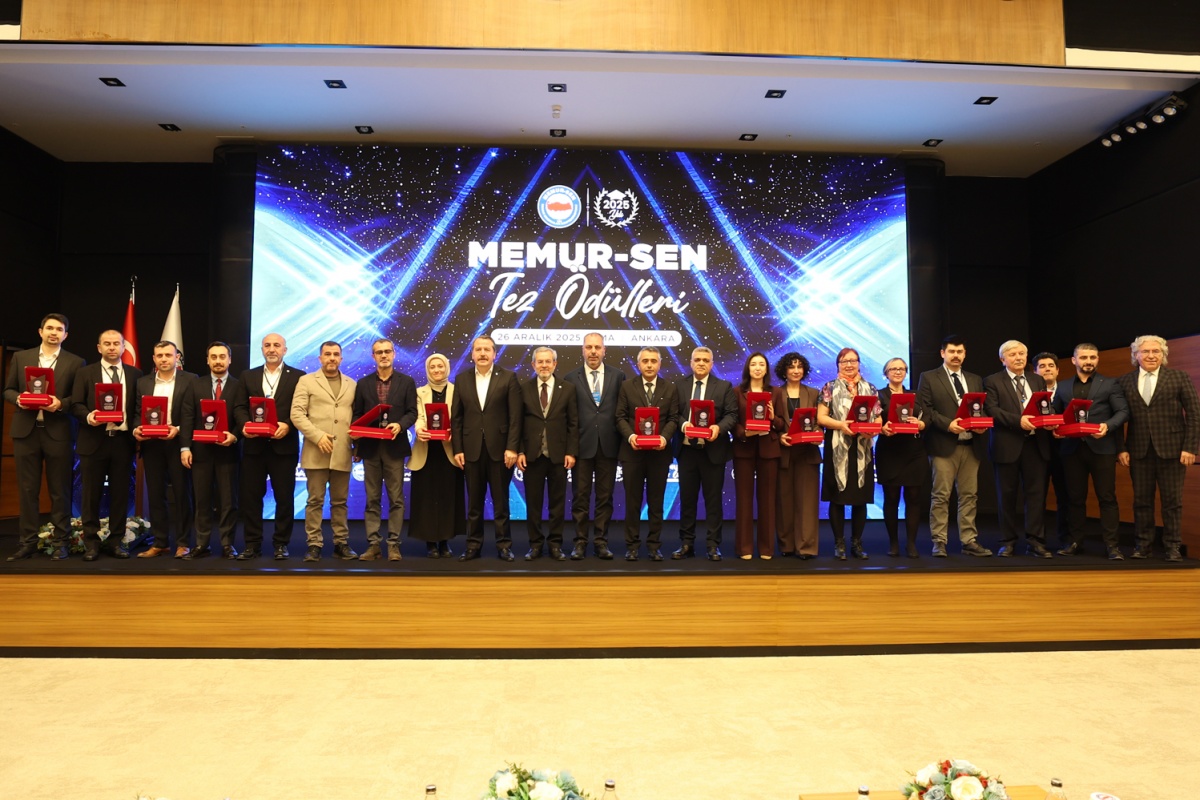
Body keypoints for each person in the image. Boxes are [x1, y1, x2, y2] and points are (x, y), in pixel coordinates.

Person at [3, 313, 85, 561]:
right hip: (25, 431)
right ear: (40, 331)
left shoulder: (76, 362)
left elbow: (78, 399)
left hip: (58, 431)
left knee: (60, 490)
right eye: (49, 328)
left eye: (59, 329)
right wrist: (19, 398)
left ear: (65, 335)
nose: (53, 333)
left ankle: (61, 542)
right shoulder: (21, 358)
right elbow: (8, 390)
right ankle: (27, 542)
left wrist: (61, 403)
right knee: (27, 490)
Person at [1117, 335, 1200, 562]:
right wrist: (1121, 448)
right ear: (1136, 355)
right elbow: (1118, 418)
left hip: (1173, 451)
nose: (1151, 355)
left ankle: (1172, 547)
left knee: (1172, 503)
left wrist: (1190, 447)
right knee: (1141, 501)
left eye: (1156, 351)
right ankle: (1142, 546)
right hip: (1138, 451)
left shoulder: (1179, 377)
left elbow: (1194, 415)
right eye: (1146, 351)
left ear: (1163, 355)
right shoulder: (1124, 382)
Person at [915, 335, 993, 558]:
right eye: (951, 351)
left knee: (969, 496)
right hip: (943, 444)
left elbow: (981, 409)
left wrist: (981, 425)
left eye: (960, 352)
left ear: (965, 354)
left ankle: (969, 540)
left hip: (971, 444)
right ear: (943, 353)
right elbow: (926, 410)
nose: (956, 355)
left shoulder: (975, 379)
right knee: (941, 496)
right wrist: (948, 424)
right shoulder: (929, 377)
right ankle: (939, 541)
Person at [232, 332, 305, 560]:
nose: (271, 349)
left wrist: (289, 425)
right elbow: (239, 407)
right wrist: (244, 425)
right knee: (251, 498)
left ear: (285, 349)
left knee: (284, 498)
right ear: (262, 349)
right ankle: (252, 545)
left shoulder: (299, 377)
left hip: (284, 447)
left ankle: (281, 544)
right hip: (254, 447)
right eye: (267, 345)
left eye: (276, 345)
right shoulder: (248, 375)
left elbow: (303, 409)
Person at [1053, 342, 1129, 559]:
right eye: (1084, 357)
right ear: (1074, 360)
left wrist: (1107, 426)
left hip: (1102, 448)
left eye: (1092, 357)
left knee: (1107, 498)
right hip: (1071, 449)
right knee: (1075, 499)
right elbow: (1057, 415)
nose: (1088, 361)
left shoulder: (1110, 384)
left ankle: (1112, 546)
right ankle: (1075, 542)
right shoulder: (1063, 386)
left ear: (1097, 360)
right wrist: (1056, 429)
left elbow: (1123, 411)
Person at [70, 329, 140, 561]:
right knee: (91, 495)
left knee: (120, 495)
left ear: (123, 347)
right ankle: (91, 544)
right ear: (99, 347)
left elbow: (137, 408)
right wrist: (90, 416)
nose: (112, 347)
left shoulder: (135, 374)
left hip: (122, 442)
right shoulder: (85, 373)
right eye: (107, 343)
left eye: (116, 343)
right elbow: (76, 404)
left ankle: (116, 542)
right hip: (93, 441)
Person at [451, 334, 522, 562]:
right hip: (471, 451)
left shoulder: (509, 377)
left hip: (501, 452)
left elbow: (515, 417)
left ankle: (504, 546)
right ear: (472, 354)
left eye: (487, 349)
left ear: (494, 354)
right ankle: (473, 546)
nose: (482, 353)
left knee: (501, 503)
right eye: (478, 349)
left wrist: (512, 448)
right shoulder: (461, 379)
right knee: (474, 504)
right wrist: (458, 449)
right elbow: (457, 418)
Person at [984, 340, 1053, 558]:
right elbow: (992, 410)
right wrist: (1018, 421)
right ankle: (1008, 541)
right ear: (1002, 359)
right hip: (1007, 445)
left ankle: (1036, 541)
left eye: (1022, 353)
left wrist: (1049, 420)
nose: (1018, 358)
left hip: (1036, 444)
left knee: (1036, 495)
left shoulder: (1037, 379)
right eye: (1013, 354)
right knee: (1007, 496)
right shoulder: (992, 381)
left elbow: (1045, 407)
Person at [350, 338, 417, 561]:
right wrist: (356, 442)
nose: (384, 355)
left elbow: (412, 412)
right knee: (372, 499)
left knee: (396, 499)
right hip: (370, 448)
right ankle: (373, 545)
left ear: (394, 354)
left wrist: (400, 425)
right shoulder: (363, 383)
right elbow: (357, 414)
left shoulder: (407, 382)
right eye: (379, 352)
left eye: (387, 351)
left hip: (394, 448)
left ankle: (394, 545)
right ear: (373, 356)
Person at [291, 340, 358, 562]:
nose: (332, 358)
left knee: (340, 502)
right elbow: (297, 414)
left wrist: (357, 446)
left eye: (335, 354)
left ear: (341, 358)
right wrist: (317, 436)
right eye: (327, 354)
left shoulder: (351, 384)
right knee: (315, 501)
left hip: (342, 451)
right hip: (316, 450)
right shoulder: (306, 381)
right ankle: (314, 544)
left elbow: (356, 419)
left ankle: (341, 543)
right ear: (320, 358)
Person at [561, 332, 625, 560]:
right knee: (580, 497)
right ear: (582, 350)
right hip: (581, 447)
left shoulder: (618, 376)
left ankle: (601, 542)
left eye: (597, 347)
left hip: (609, 446)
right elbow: (568, 417)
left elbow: (622, 412)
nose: (593, 351)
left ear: (604, 350)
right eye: (589, 347)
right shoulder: (570, 378)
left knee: (605, 498)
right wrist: (569, 449)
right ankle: (579, 542)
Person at [132, 340, 197, 558]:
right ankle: (160, 542)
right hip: (152, 444)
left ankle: (183, 543)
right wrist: (136, 429)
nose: (164, 359)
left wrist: (178, 429)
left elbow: (194, 413)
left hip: (179, 443)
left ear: (177, 357)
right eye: (159, 355)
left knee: (182, 494)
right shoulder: (142, 382)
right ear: (154, 359)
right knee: (156, 495)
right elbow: (137, 412)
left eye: (168, 355)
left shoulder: (191, 380)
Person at [615, 346, 680, 561]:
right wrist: (631, 437)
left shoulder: (670, 388)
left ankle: (654, 546)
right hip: (632, 453)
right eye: (645, 361)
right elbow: (620, 417)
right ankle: (632, 546)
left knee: (656, 502)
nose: (649, 365)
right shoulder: (626, 386)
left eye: (653, 361)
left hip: (659, 454)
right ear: (638, 364)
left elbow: (673, 418)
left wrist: (664, 438)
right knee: (632, 502)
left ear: (659, 364)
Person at [672, 346, 737, 561]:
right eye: (697, 359)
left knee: (713, 501)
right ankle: (686, 544)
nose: (701, 363)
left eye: (705, 360)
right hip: (687, 451)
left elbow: (731, 415)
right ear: (691, 362)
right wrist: (684, 425)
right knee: (687, 499)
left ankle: (713, 545)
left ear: (711, 364)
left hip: (713, 451)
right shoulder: (679, 386)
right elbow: (673, 413)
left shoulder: (724, 386)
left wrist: (719, 428)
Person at [817, 347, 880, 560]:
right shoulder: (829, 387)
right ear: (838, 365)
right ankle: (839, 544)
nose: (849, 365)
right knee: (837, 498)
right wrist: (840, 425)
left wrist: (871, 429)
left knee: (860, 498)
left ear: (859, 363)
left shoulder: (870, 388)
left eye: (853, 361)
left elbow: (878, 418)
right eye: (844, 361)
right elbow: (821, 417)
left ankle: (857, 543)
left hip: (862, 448)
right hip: (837, 447)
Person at [180, 341, 242, 559]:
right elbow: (187, 417)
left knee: (228, 501)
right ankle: (202, 544)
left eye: (222, 357)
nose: (218, 361)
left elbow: (242, 416)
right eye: (213, 357)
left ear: (229, 360)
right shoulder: (196, 385)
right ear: (207, 360)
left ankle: (227, 544)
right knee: (202, 500)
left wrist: (234, 435)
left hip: (228, 452)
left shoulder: (239, 386)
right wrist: (185, 447)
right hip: (201, 452)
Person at [517, 346, 579, 561]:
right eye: (540, 362)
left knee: (557, 504)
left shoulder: (568, 389)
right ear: (533, 365)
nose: (544, 365)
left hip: (559, 456)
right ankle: (535, 545)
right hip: (532, 456)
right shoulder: (523, 389)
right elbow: (517, 423)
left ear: (555, 364)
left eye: (548, 361)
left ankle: (555, 545)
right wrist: (520, 451)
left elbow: (573, 423)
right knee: (533, 505)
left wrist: (571, 452)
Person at [409, 353, 466, 557]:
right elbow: (418, 416)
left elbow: (461, 417)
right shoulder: (419, 392)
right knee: (426, 497)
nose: (436, 370)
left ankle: (444, 541)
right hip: (426, 451)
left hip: (450, 452)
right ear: (427, 370)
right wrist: (419, 429)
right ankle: (430, 542)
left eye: (440, 366)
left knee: (447, 497)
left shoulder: (458, 391)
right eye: (432, 367)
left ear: (447, 368)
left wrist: (454, 431)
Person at [876, 357, 928, 558]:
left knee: (914, 497)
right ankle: (894, 544)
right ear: (886, 373)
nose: (898, 372)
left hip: (914, 451)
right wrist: (882, 428)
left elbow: (929, 416)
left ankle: (911, 544)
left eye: (901, 369)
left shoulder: (916, 394)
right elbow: (873, 418)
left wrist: (921, 424)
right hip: (889, 451)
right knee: (891, 498)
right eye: (893, 369)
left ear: (906, 372)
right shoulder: (878, 394)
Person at [773, 352, 821, 559]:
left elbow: (819, 421)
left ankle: (806, 547)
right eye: (791, 367)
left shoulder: (814, 393)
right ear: (784, 371)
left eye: (799, 367)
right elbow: (771, 423)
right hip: (784, 452)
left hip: (808, 452)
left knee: (807, 502)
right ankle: (786, 546)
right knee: (784, 502)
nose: (796, 371)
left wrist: (817, 433)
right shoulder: (775, 393)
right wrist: (779, 437)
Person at [733, 351, 781, 560]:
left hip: (768, 449)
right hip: (744, 449)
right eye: (754, 364)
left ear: (766, 368)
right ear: (748, 368)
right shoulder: (737, 391)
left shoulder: (776, 392)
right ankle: (744, 547)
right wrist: (744, 433)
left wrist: (772, 417)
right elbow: (732, 421)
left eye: (762, 364)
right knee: (744, 500)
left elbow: (781, 423)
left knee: (768, 500)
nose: (758, 368)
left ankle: (766, 548)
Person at [1034, 351, 1071, 548]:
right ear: (1035, 371)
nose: (1047, 369)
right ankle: (1037, 540)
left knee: (1065, 496)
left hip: (1064, 450)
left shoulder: (1067, 390)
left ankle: (1065, 539)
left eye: (1050, 366)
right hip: (1037, 450)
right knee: (1037, 496)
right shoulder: (1030, 392)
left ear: (1057, 370)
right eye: (1042, 366)